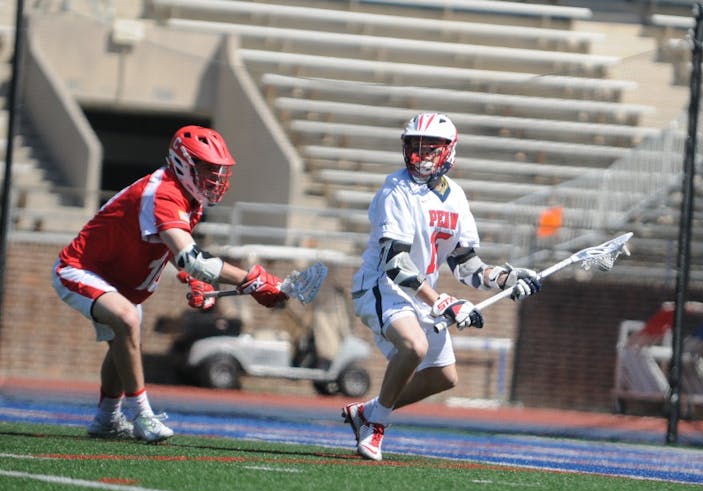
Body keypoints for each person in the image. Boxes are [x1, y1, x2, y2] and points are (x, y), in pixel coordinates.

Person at [52, 125, 288, 443]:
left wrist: (195, 279)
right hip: (80, 269)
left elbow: (176, 250)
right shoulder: (162, 192)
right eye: (208, 167)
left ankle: (107, 419)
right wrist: (252, 279)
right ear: (184, 162)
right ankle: (143, 416)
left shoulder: (190, 199)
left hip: (119, 281)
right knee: (126, 319)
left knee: (122, 336)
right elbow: (193, 258)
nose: (216, 177)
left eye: (219, 170)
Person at [342, 113, 541, 461]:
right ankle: (377, 428)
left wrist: (505, 278)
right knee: (414, 347)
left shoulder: (456, 198)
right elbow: (395, 263)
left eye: (431, 149)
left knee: (443, 377)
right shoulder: (395, 189)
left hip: (419, 294)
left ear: (448, 152)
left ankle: (368, 412)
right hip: (382, 286)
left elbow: (465, 263)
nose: (421, 157)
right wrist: (441, 301)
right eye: (415, 149)